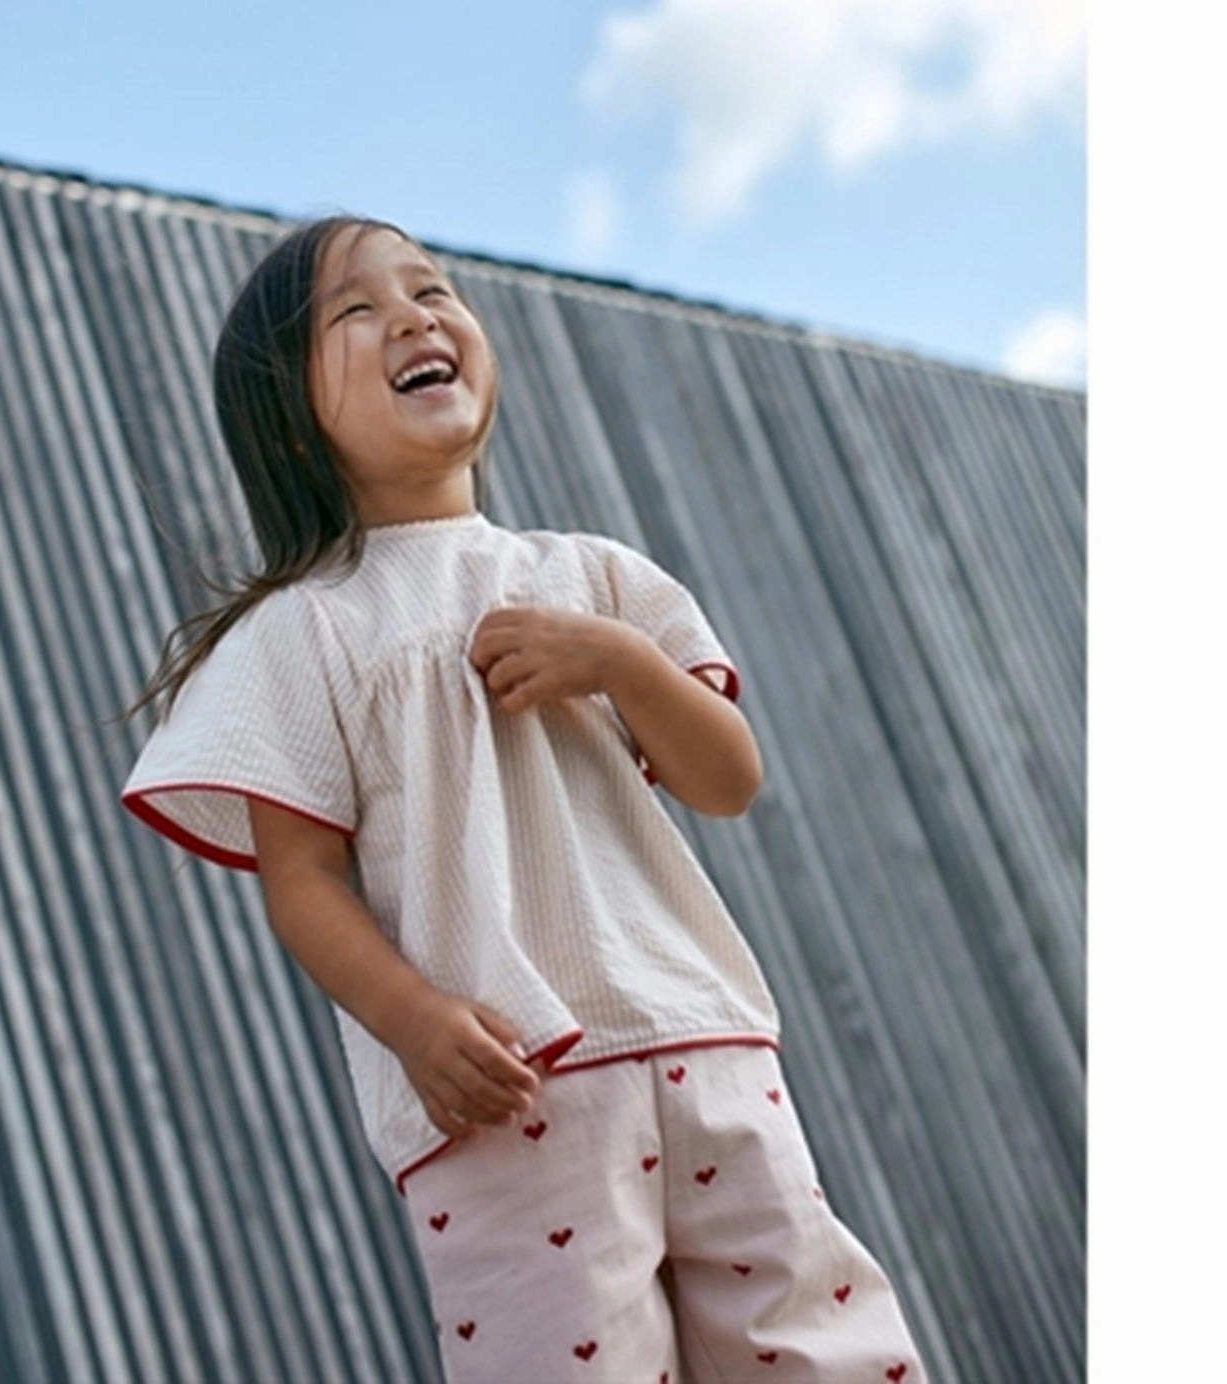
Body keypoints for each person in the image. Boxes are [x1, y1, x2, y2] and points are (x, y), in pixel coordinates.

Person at [122, 216, 928, 1384]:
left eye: (430, 289)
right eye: (354, 310)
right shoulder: (305, 628)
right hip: (507, 1083)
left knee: (815, 1345)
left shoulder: (593, 575)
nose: (411, 316)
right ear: (288, 424)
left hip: (703, 1034)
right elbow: (299, 880)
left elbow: (726, 778)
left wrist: (621, 660)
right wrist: (410, 1019)